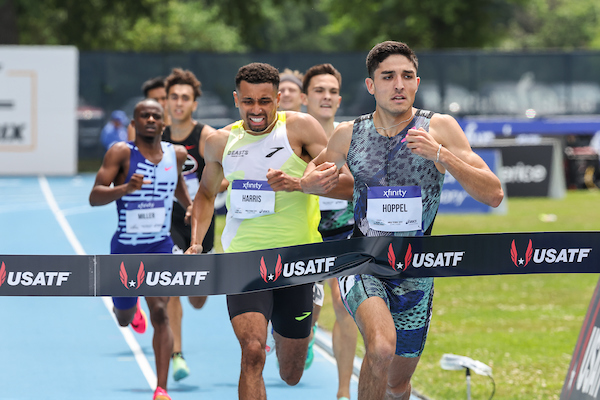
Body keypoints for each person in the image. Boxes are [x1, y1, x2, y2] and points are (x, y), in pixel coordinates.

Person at [301, 41, 504, 400]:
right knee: (380, 347)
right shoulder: (349, 133)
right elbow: (311, 175)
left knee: (397, 382)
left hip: (415, 270)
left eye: (407, 76)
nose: (398, 84)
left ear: (417, 82)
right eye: (388, 76)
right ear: (371, 85)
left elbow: (493, 194)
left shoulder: (438, 127)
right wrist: (310, 182)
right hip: (362, 260)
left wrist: (441, 154)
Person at [185, 62, 353, 400]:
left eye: (265, 101)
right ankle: (264, 338)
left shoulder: (300, 129)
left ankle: (288, 338)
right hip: (243, 260)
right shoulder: (220, 142)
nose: (257, 110)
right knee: (252, 352)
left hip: (296, 260)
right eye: (248, 101)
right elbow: (205, 194)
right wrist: (196, 243)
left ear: (278, 98)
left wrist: (302, 184)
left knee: (290, 374)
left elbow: (347, 184)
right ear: (237, 100)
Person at [90, 99, 192, 400]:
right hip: (125, 249)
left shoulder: (178, 154)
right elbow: (95, 196)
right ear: (134, 123)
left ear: (164, 123)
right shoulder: (121, 152)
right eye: (143, 115)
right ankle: (130, 311)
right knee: (123, 317)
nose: (150, 119)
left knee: (160, 312)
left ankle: (161, 388)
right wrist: (124, 189)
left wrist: (190, 211)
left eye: (155, 116)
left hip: (160, 246)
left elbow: (179, 190)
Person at [301, 63, 358, 400]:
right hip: (303, 235)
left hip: (344, 234)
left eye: (332, 91)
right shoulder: (292, 137)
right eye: (319, 91)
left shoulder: (351, 136)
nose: (326, 96)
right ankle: (305, 335)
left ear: (339, 99)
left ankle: (342, 392)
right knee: (303, 317)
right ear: (305, 97)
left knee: (344, 303)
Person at [160, 67, 220, 382]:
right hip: (168, 219)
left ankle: (195, 287)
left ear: (194, 103)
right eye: (174, 97)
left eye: (186, 98)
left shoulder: (206, 136)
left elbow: (221, 179)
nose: (179, 103)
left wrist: (204, 195)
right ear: (166, 102)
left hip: (200, 220)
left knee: (196, 298)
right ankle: (177, 354)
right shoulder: (158, 137)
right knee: (171, 286)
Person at [127, 76, 172, 141]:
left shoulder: (180, 124)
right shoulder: (136, 127)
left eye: (163, 98)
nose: (160, 103)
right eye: (155, 99)